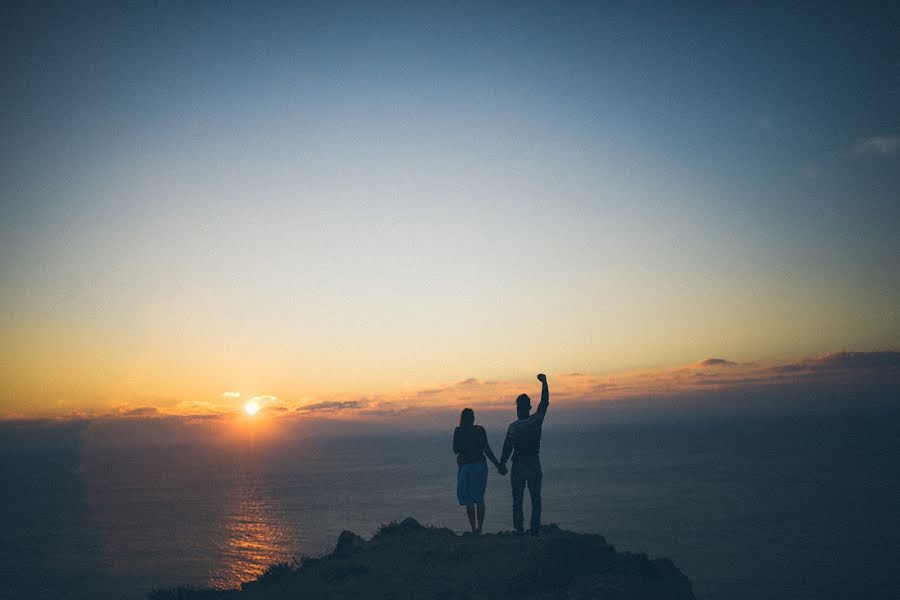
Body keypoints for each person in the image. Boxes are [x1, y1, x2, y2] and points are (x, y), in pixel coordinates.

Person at [498, 373, 549, 535]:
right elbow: (544, 402)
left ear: (517, 408)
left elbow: (508, 447)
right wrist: (544, 383)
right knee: (536, 499)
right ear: (529, 408)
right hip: (534, 463)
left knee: (517, 500)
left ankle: (519, 529)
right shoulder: (536, 420)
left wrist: (502, 463)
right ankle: (535, 528)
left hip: (518, 465)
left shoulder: (514, 427)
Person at [453, 408, 503, 534]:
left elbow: (456, 450)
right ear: (473, 418)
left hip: (466, 467)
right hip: (480, 467)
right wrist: (498, 465)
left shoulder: (458, 431)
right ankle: (480, 528)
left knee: (469, 499)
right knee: (479, 498)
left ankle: (473, 528)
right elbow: (487, 450)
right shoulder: (480, 430)